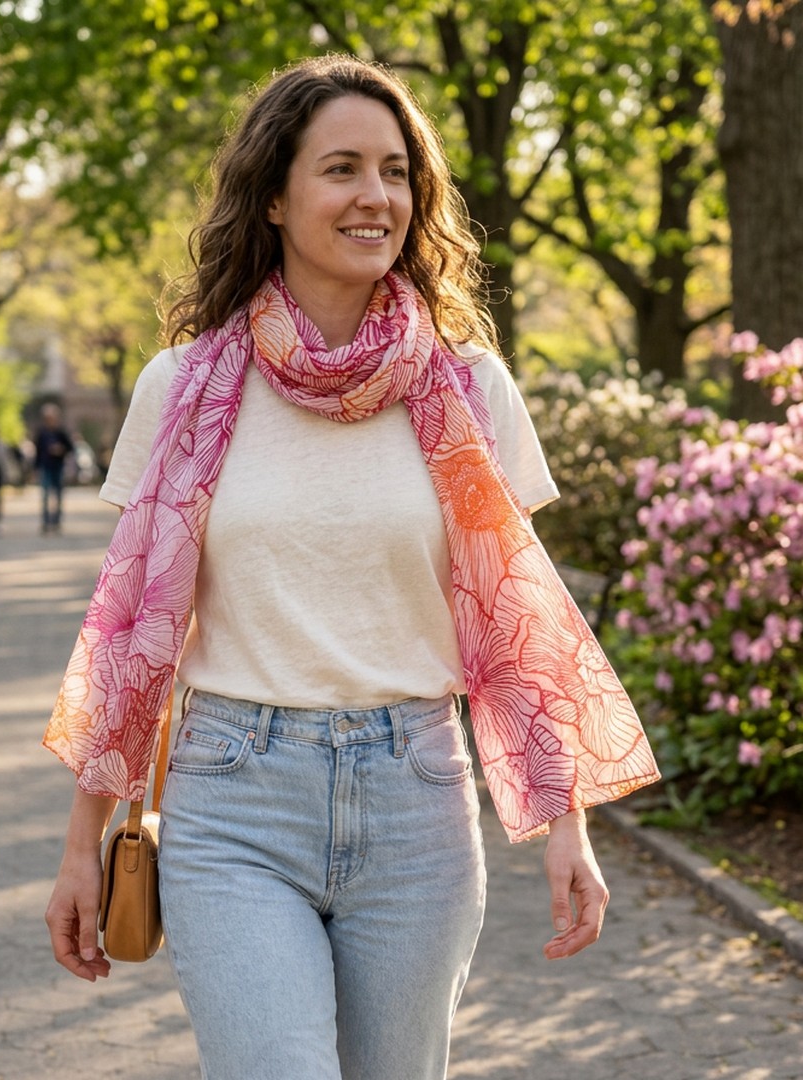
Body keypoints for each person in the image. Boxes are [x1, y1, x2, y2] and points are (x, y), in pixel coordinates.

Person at [43, 55, 659, 1080]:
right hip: (233, 798)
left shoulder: (471, 388)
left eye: (396, 171)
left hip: (417, 798)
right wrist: (82, 846)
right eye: (341, 169)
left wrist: (569, 825)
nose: (376, 195)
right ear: (274, 198)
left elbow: (522, 623)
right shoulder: (183, 388)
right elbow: (129, 637)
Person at [33, 403, 75, 533]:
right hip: (46, 467)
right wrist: (36, 468)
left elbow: (71, 448)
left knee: (58, 495)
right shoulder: (42, 433)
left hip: (58, 467)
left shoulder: (61, 432)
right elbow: (37, 451)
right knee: (45, 496)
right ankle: (46, 522)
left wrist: (61, 449)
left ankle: (57, 522)